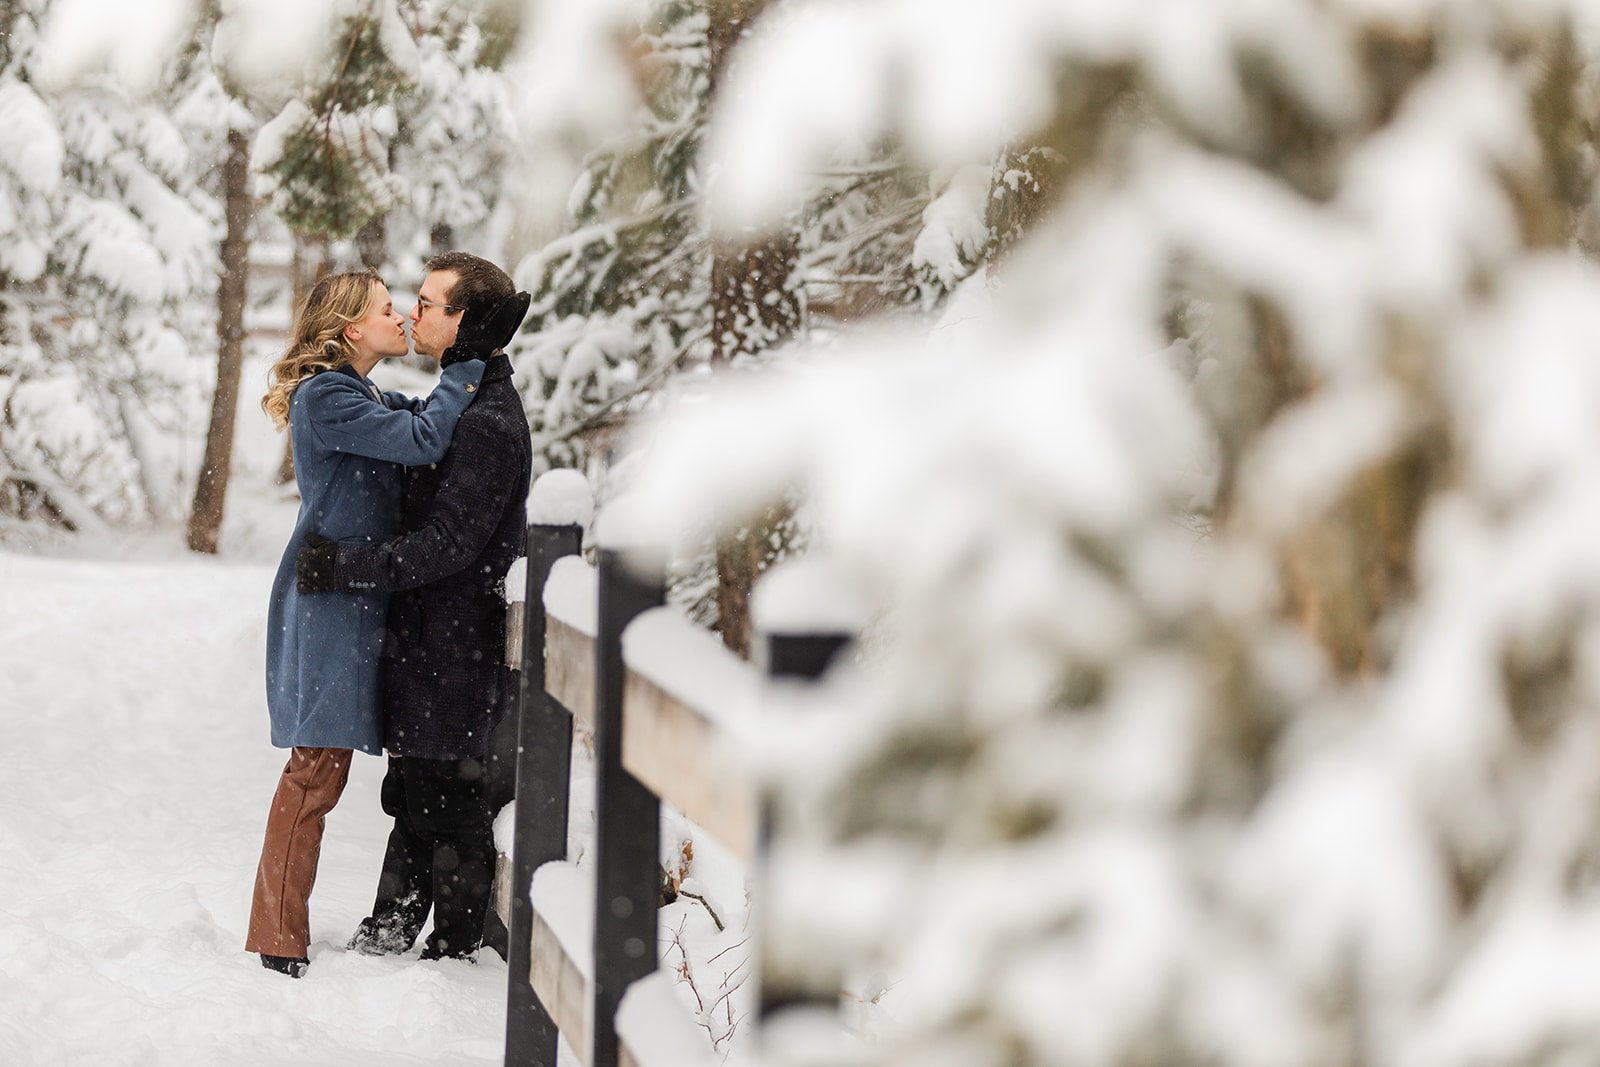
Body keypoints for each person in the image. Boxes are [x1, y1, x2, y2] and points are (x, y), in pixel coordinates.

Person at [249, 269, 487, 979]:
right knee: (315, 771)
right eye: (389, 310)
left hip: (352, 606)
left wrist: (470, 392)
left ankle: (279, 929)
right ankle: (277, 938)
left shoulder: (360, 393)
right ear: (354, 329)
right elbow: (420, 439)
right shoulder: (327, 396)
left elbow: (426, 424)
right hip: (326, 609)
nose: (403, 318)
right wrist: (469, 366)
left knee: (324, 769)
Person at [296, 251, 533, 961]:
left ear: (466, 321)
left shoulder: (488, 420)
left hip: (455, 645)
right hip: (426, 641)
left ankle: (452, 954)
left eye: (430, 303)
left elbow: (449, 545)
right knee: (414, 792)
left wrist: (348, 567)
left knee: (453, 803)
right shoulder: (459, 403)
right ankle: (390, 931)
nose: (413, 312)